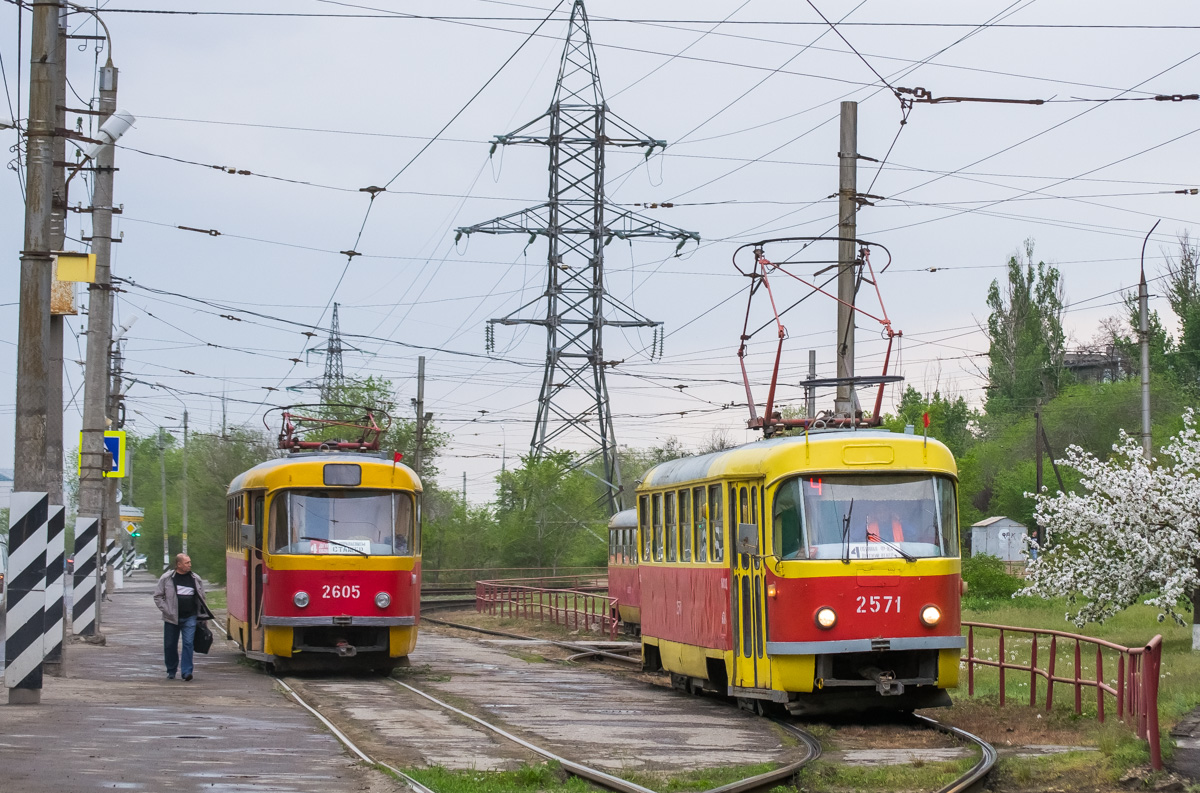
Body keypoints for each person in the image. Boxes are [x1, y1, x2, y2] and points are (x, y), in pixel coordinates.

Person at [152, 553, 210, 681]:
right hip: (172, 618)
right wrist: (167, 611)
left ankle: (187, 672)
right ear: (178, 564)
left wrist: (203, 617)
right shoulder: (167, 578)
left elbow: (202, 598)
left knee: (188, 643)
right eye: (186, 563)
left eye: (189, 562)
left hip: (190, 617)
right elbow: (158, 596)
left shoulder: (195, 578)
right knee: (170, 645)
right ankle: (171, 670)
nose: (189, 565)